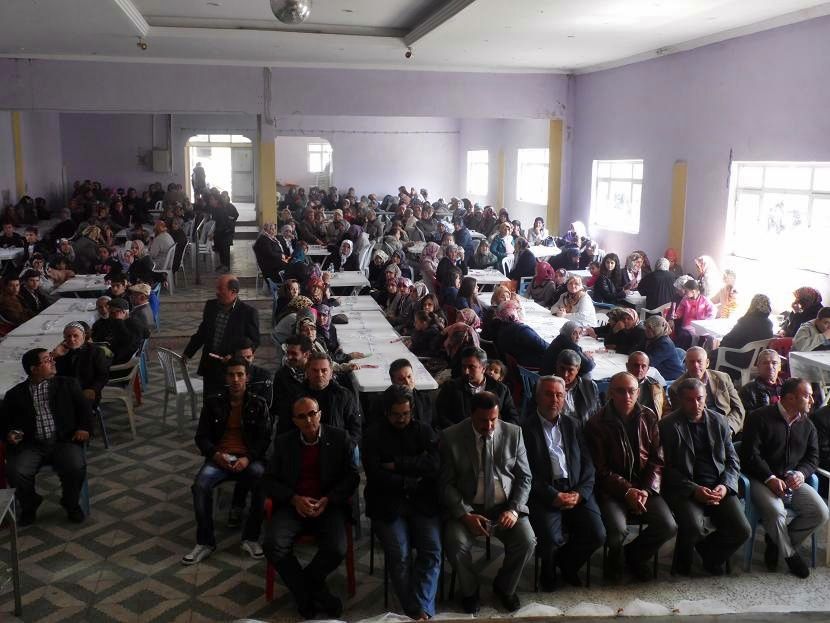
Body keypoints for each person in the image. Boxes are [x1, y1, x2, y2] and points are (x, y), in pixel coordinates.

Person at [262, 396, 360, 619]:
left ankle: (305, 587)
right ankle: (312, 593)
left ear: (320, 414)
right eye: (302, 417)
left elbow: (352, 477)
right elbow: (268, 480)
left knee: (337, 548)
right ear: (294, 421)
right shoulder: (284, 443)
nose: (308, 420)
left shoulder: (340, 438)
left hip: (328, 505)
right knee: (273, 544)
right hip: (293, 505)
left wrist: (329, 499)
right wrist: (294, 499)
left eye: (312, 414)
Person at [439, 391, 535, 614]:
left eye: (494, 419)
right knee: (455, 542)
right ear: (471, 415)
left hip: (505, 507)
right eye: (483, 420)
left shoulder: (513, 433)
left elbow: (525, 477)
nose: (489, 426)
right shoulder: (451, 437)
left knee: (527, 540)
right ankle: (470, 590)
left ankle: (504, 587)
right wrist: (465, 514)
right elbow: (445, 484)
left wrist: (514, 510)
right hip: (468, 507)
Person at [586, 372, 677, 582]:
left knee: (668, 525)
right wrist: (628, 491)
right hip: (612, 491)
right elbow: (600, 470)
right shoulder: (596, 423)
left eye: (631, 391)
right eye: (620, 391)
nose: (627, 396)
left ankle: (634, 556)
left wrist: (645, 490)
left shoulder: (649, 416)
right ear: (611, 393)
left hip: (644, 488)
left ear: (638, 392)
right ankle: (613, 558)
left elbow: (657, 459)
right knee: (617, 530)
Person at [182, 358, 271, 565]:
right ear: (226, 378)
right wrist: (216, 455)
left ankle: (251, 538)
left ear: (247, 377)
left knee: (262, 482)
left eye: (240, 375)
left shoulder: (258, 403)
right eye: (231, 375)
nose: (236, 379)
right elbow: (201, 437)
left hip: (248, 458)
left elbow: (264, 439)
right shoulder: (213, 402)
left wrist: (248, 458)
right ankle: (205, 542)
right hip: (220, 457)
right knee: (200, 487)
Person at [362, 386, 441, 620]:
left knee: (432, 550)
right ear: (387, 413)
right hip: (387, 502)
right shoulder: (373, 435)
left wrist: (397, 464)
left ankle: (422, 606)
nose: (401, 419)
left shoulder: (423, 430)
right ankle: (415, 610)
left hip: (422, 501)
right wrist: (410, 479)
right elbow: (375, 474)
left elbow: (434, 465)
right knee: (400, 555)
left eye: (406, 414)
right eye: (396, 414)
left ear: (412, 410)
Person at [659, 378, 751, 575]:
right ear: (680, 400)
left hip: (718, 485)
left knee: (743, 530)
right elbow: (666, 468)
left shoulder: (719, 421)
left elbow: (732, 461)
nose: (696, 404)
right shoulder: (668, 425)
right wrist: (694, 490)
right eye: (689, 400)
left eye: (700, 398)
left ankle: (709, 555)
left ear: (706, 397)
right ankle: (691, 560)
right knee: (693, 526)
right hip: (685, 488)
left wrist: (725, 486)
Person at [740, 378, 829, 578]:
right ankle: (789, 555)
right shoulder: (759, 417)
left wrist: (801, 474)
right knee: (776, 511)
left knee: (820, 512)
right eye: (807, 396)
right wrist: (770, 477)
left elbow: (813, 457)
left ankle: (775, 541)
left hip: (791, 480)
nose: (812, 401)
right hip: (761, 478)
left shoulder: (807, 424)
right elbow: (750, 455)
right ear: (790, 398)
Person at [522, 376, 605, 590]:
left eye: (559, 395)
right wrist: (552, 495)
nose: (554, 400)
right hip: (545, 493)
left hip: (576, 489)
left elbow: (588, 464)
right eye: (549, 394)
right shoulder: (524, 429)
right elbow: (525, 473)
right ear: (537, 397)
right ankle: (548, 569)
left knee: (597, 534)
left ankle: (567, 563)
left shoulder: (573, 424)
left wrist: (581, 493)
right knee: (550, 539)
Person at [2, 348, 92, 525]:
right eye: (47, 360)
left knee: (75, 466)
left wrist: (84, 428)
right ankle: (30, 504)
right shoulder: (15, 394)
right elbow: (5, 422)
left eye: (51, 358)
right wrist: (10, 434)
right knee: (15, 471)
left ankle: (71, 503)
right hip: (31, 444)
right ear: (34, 369)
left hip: (63, 440)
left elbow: (85, 410)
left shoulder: (68, 384)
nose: (53, 362)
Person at [183, 275, 261, 389]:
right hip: (210, 365)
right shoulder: (211, 306)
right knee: (209, 398)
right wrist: (187, 353)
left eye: (220, 289)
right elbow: (202, 333)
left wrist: (235, 356)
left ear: (233, 291)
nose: (217, 292)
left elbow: (254, 341)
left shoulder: (248, 313)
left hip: (232, 368)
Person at [275, 353, 362, 443]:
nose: (319, 374)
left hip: (336, 446)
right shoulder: (294, 396)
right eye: (315, 370)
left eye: (324, 370)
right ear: (307, 372)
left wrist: (349, 446)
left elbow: (355, 428)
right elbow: (283, 429)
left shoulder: (344, 395)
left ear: (331, 373)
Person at [435, 347, 519, 429]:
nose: (466, 371)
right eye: (464, 366)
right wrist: (458, 432)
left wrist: (497, 431)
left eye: (471, 367)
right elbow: (441, 416)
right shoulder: (450, 387)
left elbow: (513, 418)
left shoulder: (501, 390)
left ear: (484, 368)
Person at [670, 347, 745, 437]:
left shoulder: (723, 378)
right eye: (691, 362)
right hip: (702, 433)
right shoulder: (676, 388)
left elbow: (738, 408)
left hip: (728, 427)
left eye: (699, 361)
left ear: (707, 363)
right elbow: (684, 420)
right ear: (686, 364)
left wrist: (729, 427)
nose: (696, 365)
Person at [51, 321, 111, 404]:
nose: (72, 339)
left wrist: (93, 389)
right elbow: (51, 374)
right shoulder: (61, 351)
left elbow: (103, 375)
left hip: (86, 392)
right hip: (65, 392)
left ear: (83, 336)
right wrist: (54, 355)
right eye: (68, 336)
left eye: (75, 336)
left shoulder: (95, 352)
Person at [378, 358, 434, 428]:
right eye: (401, 379)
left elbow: (429, 425)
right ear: (392, 381)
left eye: (409, 376)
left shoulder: (425, 399)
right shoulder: (381, 401)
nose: (407, 382)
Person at [493, 300, 549, 369]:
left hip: (518, 364)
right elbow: (545, 347)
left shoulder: (501, 326)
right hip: (531, 366)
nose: (520, 311)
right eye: (517, 309)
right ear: (513, 314)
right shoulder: (521, 330)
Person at [672, 279, 715, 349]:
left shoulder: (704, 300)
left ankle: (698, 350)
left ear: (693, 291)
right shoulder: (685, 299)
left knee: (709, 337)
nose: (685, 293)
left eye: (686, 291)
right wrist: (677, 315)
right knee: (689, 336)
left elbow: (712, 310)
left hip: (700, 325)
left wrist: (707, 320)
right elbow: (680, 309)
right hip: (688, 324)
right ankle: (691, 350)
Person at [739, 349, 784, 414]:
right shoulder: (748, 390)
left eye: (774, 363)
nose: (770, 366)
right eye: (765, 363)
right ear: (758, 367)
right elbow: (747, 416)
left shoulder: (787, 386)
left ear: (779, 367)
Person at [642, 315, 684, 381]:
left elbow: (649, 362)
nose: (646, 330)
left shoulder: (665, 343)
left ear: (659, 328)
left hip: (671, 377)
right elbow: (637, 350)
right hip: (658, 372)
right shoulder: (652, 338)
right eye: (646, 327)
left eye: (650, 328)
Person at [626, 351, 667, 418]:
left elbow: (666, 408)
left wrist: (663, 422)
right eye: (636, 365)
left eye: (643, 366)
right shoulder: (618, 384)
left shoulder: (656, 386)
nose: (640, 369)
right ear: (627, 366)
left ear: (648, 368)